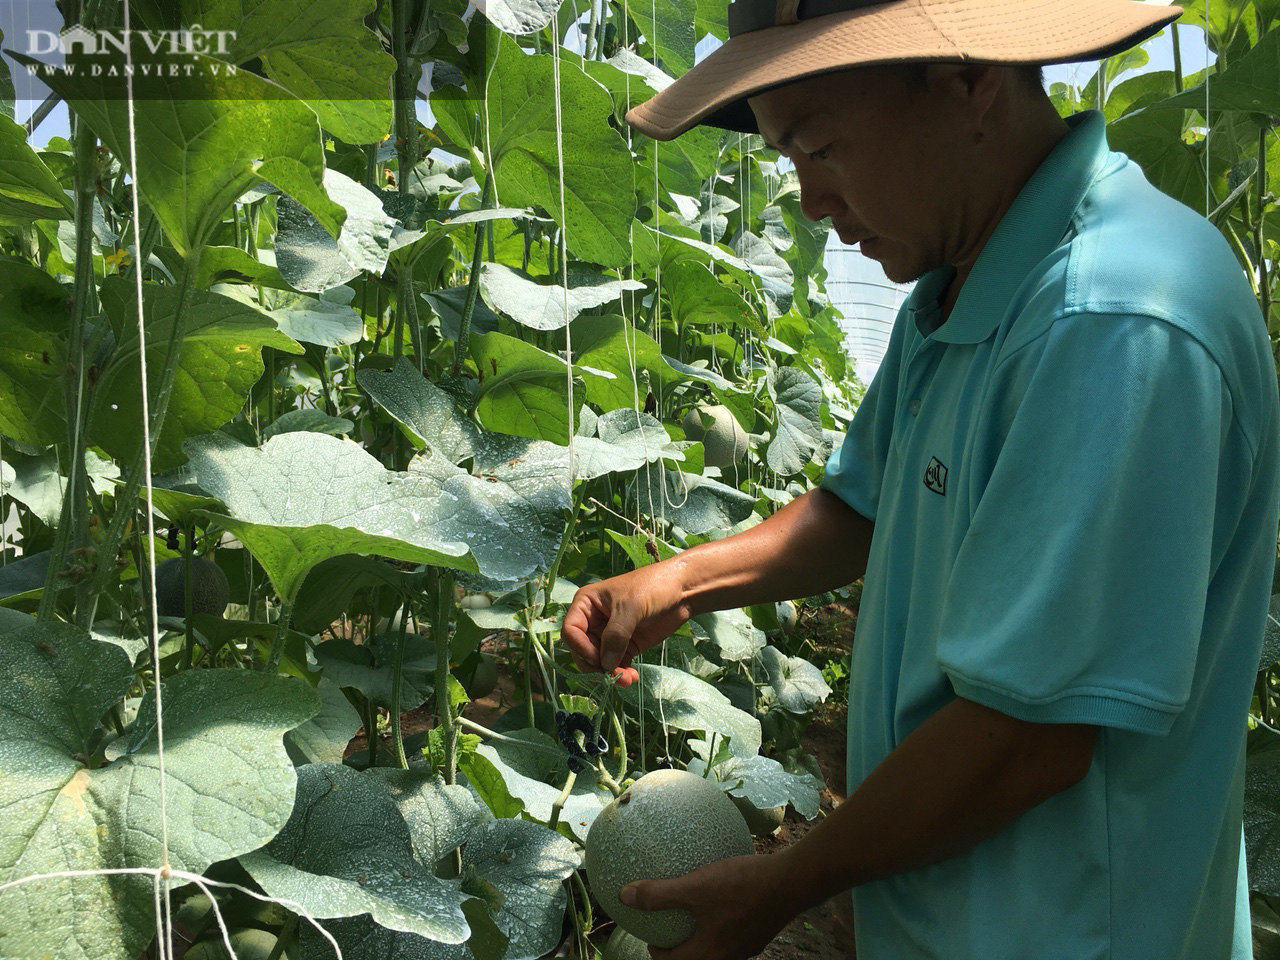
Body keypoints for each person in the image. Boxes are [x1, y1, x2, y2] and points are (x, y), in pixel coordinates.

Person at [561, 0, 1280, 957]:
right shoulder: (959, 280)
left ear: (970, 79)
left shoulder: (1112, 320)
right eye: (788, 160)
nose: (808, 200)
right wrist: (680, 581)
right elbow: (861, 505)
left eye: (819, 148)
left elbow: (1026, 739)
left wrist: (792, 883)